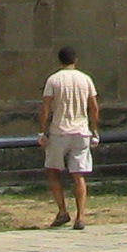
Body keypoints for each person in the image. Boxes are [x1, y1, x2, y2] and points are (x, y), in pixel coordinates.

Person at [39, 46, 100, 228]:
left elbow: (45, 108)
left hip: (59, 131)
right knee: (78, 174)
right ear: (76, 60)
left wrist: (42, 132)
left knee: (53, 170)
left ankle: (63, 210)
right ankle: (80, 216)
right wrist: (94, 130)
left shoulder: (53, 80)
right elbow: (94, 107)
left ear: (60, 61)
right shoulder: (85, 79)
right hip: (81, 130)